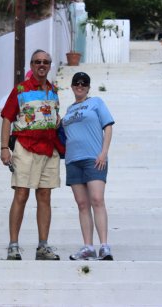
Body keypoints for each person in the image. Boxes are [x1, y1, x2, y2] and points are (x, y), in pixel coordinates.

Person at [0, 49, 64, 260]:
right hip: (25, 147)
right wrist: (4, 148)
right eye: (37, 61)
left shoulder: (53, 91)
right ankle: (13, 245)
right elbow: (7, 118)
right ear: (31, 65)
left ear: (50, 65)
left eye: (46, 61)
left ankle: (43, 246)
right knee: (21, 194)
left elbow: (55, 116)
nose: (42, 65)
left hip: (49, 149)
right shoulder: (20, 89)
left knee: (45, 195)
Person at [61, 72, 114, 260]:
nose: (80, 86)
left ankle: (104, 246)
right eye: (76, 83)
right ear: (72, 86)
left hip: (94, 158)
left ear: (89, 87)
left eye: (84, 83)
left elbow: (108, 126)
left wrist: (104, 152)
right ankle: (88, 247)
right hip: (73, 160)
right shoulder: (68, 110)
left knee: (97, 199)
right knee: (82, 204)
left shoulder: (96, 102)